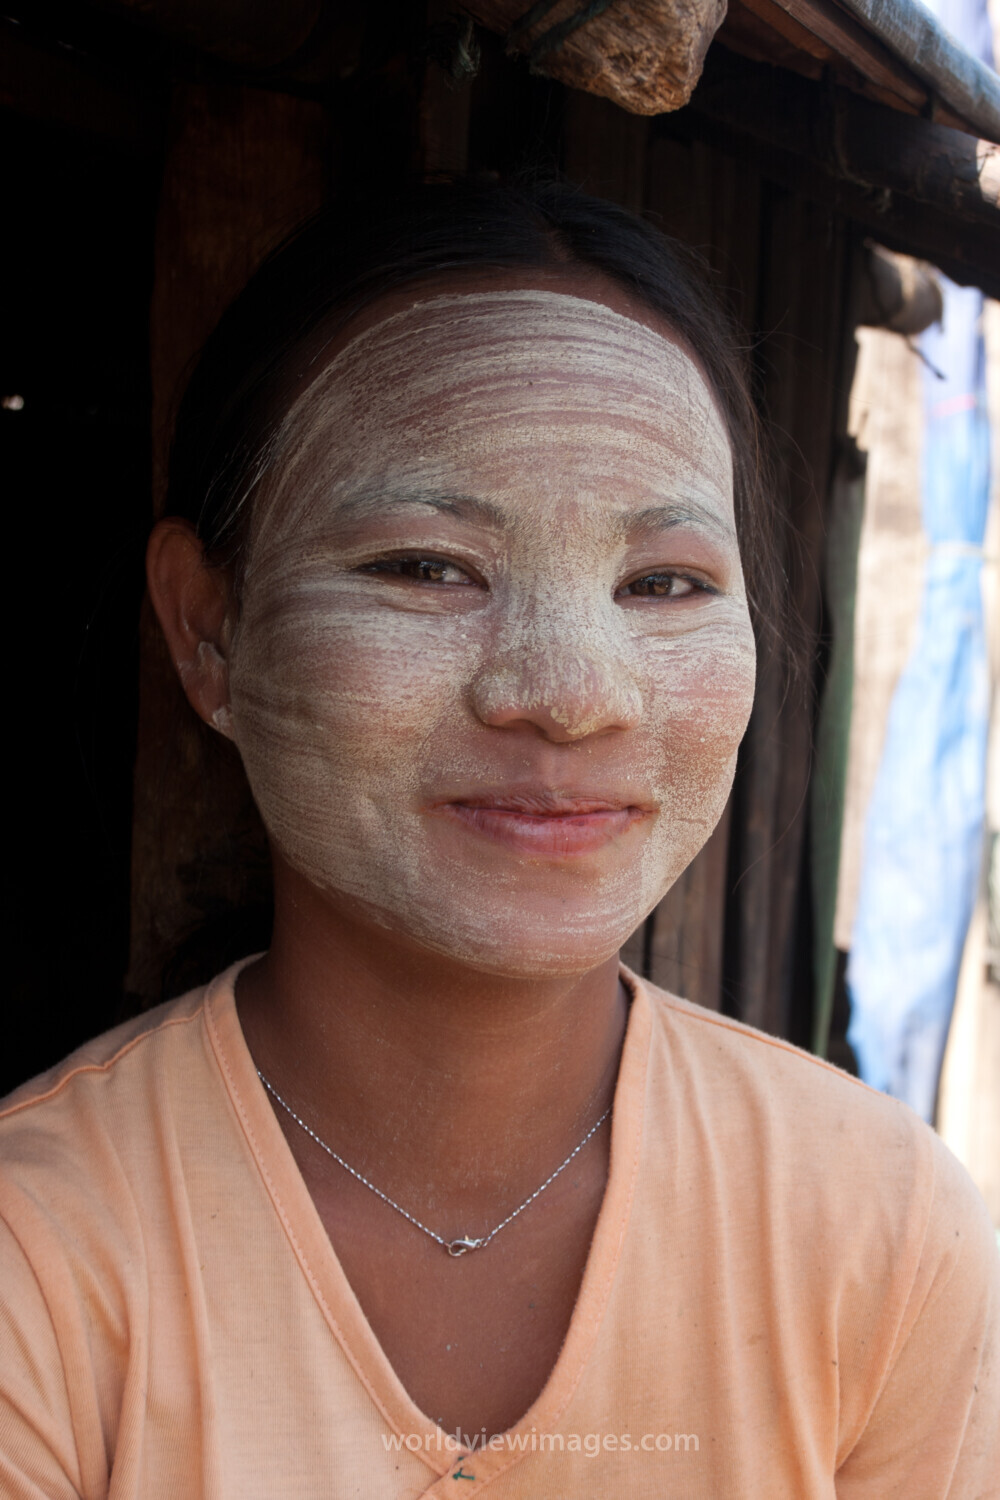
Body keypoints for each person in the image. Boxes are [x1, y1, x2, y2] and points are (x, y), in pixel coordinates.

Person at [1, 177, 997, 1500]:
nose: (571, 693)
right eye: (427, 567)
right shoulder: (38, 1261)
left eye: (664, 583)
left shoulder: (885, 1234)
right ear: (208, 628)